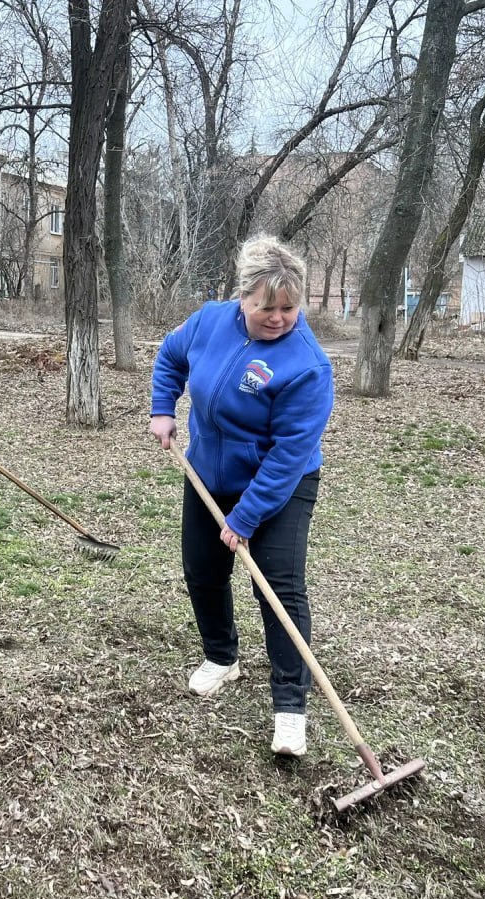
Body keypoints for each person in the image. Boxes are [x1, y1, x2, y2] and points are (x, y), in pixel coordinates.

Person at [149, 236, 334, 757]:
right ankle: (221, 657)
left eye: (289, 307)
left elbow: (289, 454)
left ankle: (290, 708)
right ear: (242, 298)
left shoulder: (307, 366)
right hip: (208, 471)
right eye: (265, 306)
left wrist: (246, 517)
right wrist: (163, 408)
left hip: (280, 483)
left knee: (278, 589)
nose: (278, 317)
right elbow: (170, 356)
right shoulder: (210, 321)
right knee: (202, 571)